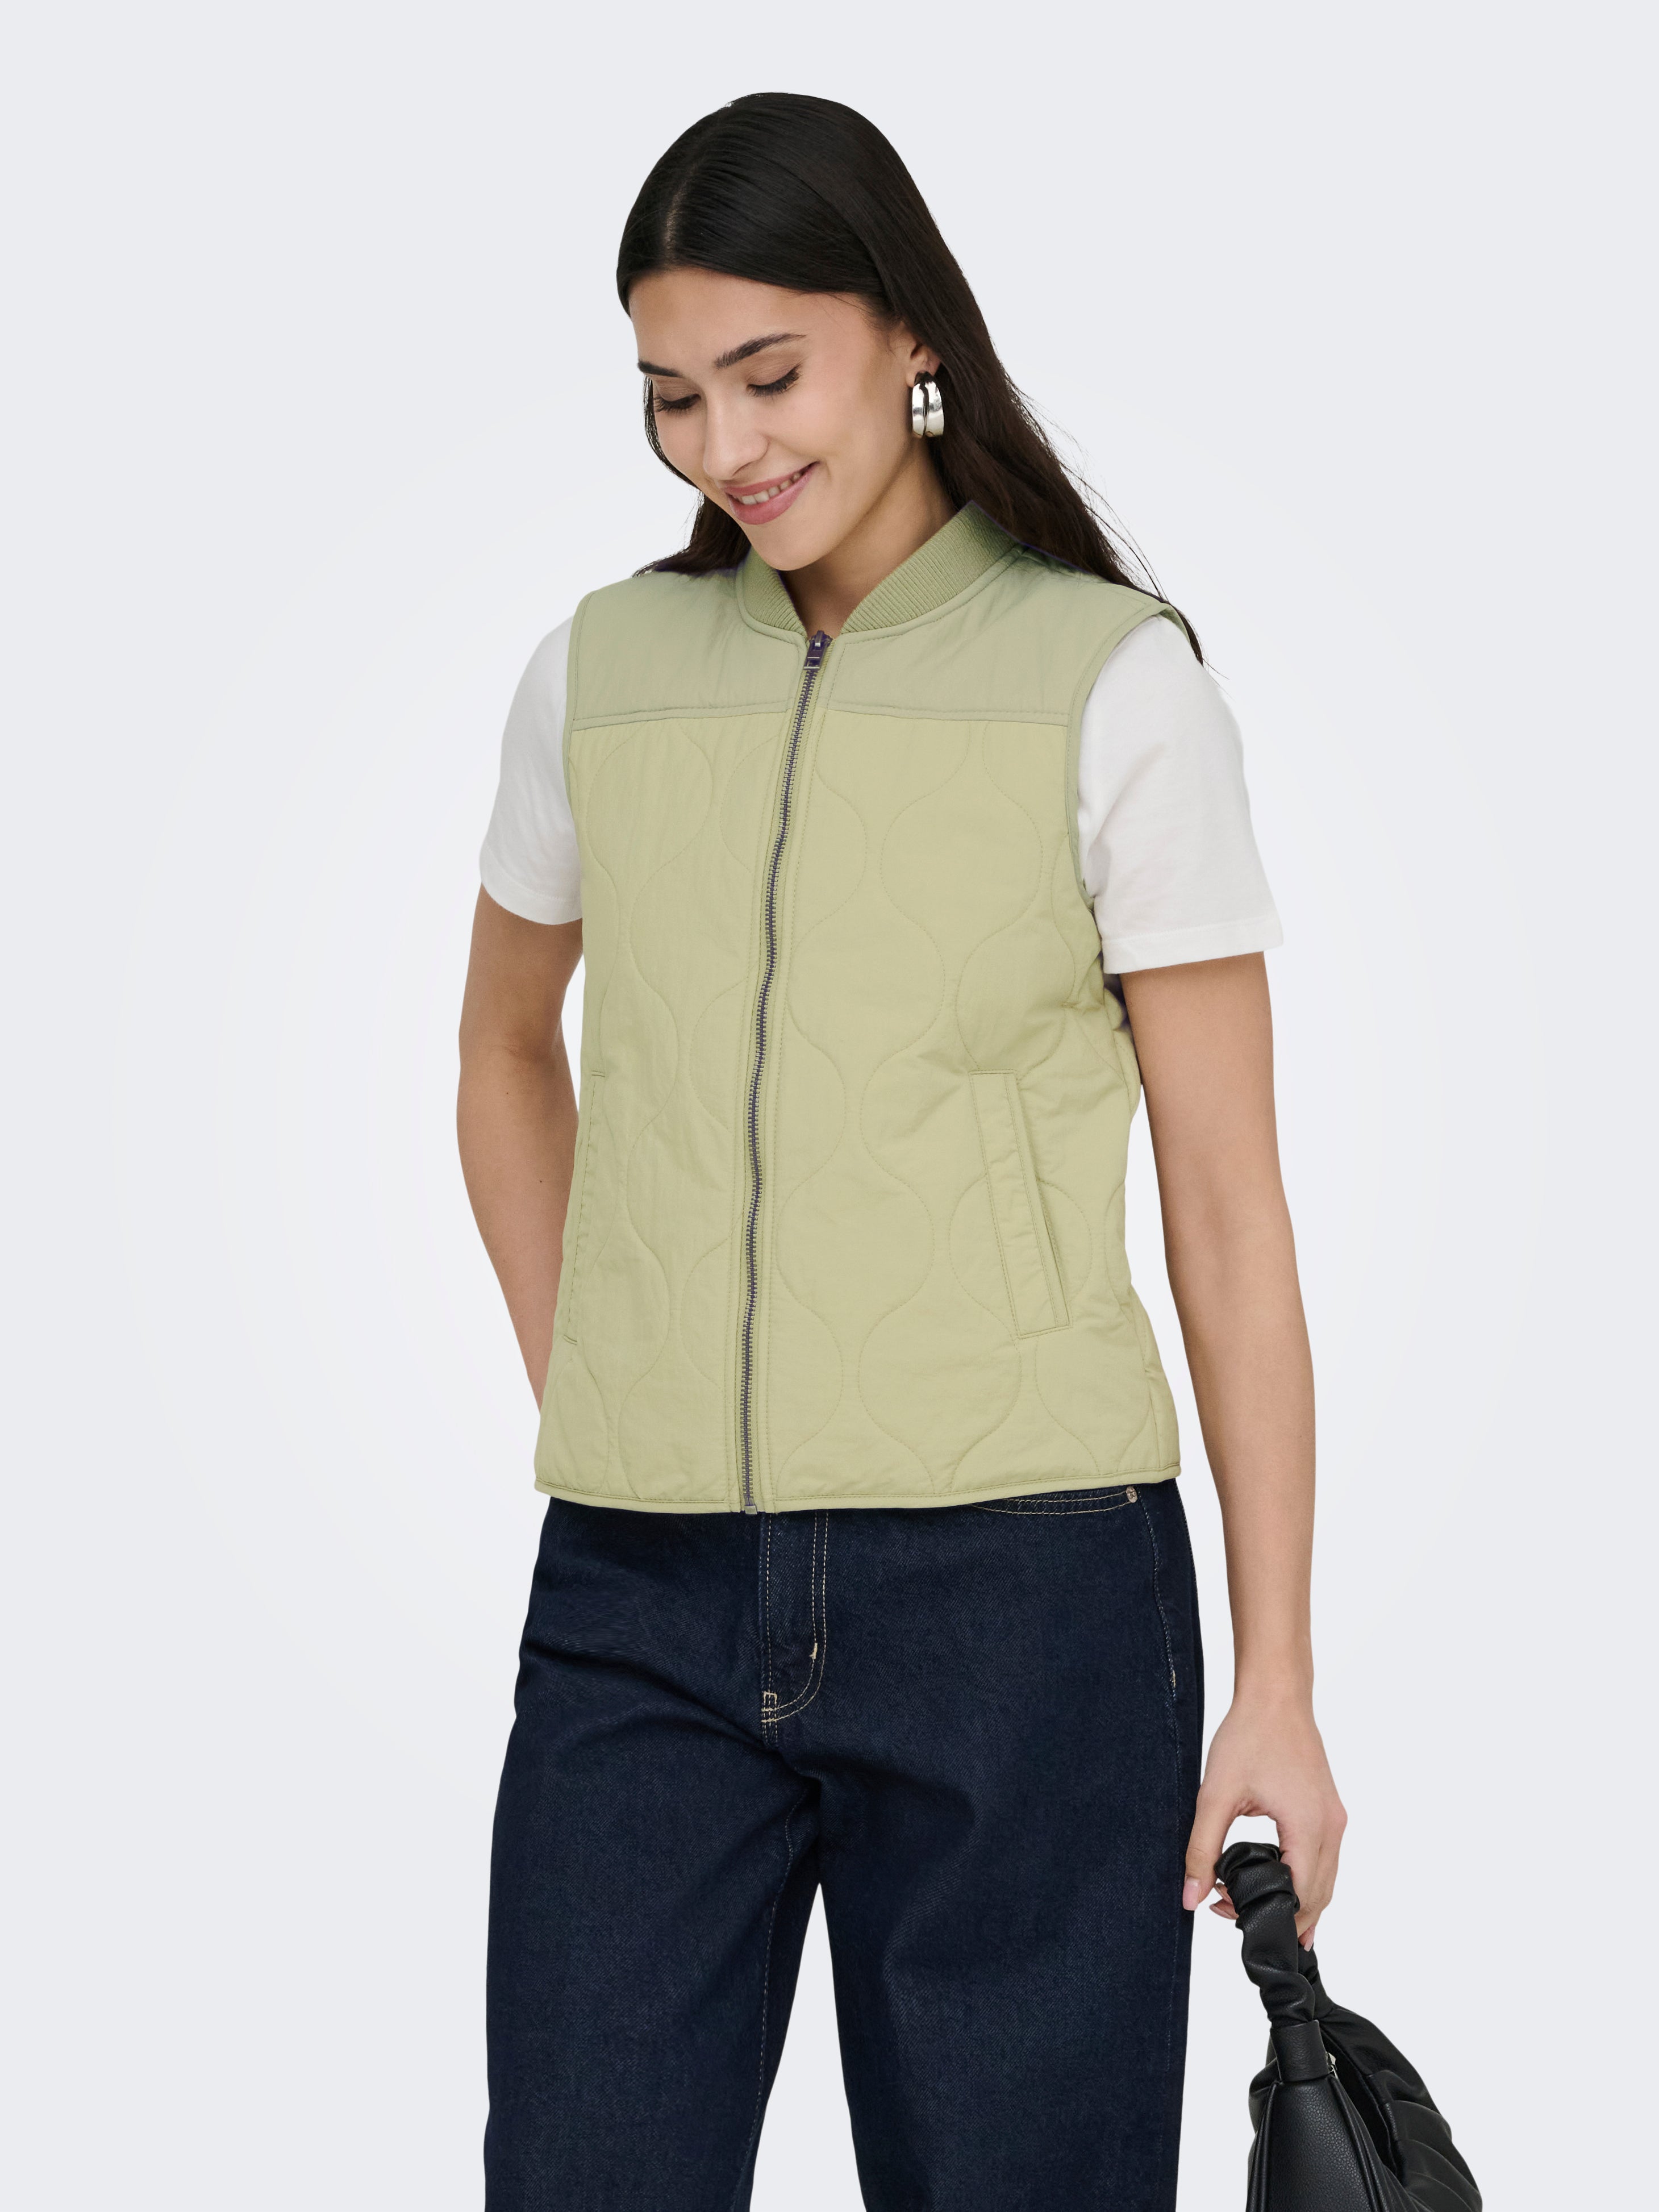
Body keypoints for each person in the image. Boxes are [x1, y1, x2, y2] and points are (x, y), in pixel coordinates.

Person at [457, 90, 1345, 2212]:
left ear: (911, 330)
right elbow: (499, 1049)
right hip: (642, 1601)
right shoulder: (602, 674)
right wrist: (610, 1379)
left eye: (770, 375)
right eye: (673, 397)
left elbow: (1230, 1213)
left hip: (1024, 1595)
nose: (726, 447)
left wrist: (1279, 1677)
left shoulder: (1107, 683)